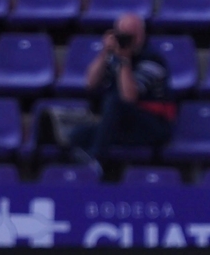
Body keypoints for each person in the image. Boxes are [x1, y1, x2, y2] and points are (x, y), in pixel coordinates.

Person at [69, 12, 176, 177]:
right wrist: (105, 52)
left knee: (115, 100)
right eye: (122, 35)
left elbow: (128, 97)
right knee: (77, 136)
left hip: (152, 125)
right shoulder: (114, 56)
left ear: (141, 35)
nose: (126, 40)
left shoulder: (153, 61)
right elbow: (90, 83)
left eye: (130, 35)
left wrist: (125, 60)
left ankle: (97, 158)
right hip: (124, 124)